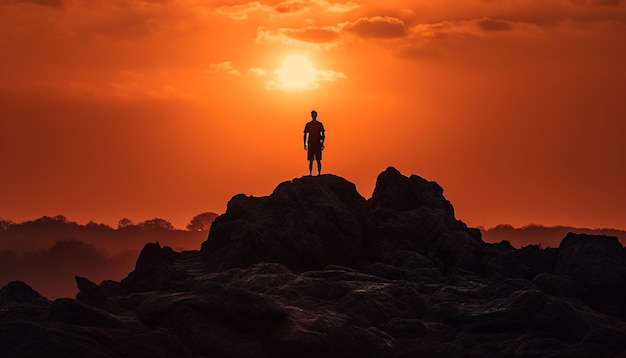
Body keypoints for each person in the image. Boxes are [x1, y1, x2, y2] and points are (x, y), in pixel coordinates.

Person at [303, 110, 325, 176]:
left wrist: (322, 143)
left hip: (316, 143)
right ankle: (311, 173)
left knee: (317, 160)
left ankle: (318, 173)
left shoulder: (318, 124)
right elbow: (305, 135)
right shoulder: (309, 124)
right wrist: (305, 143)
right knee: (311, 160)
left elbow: (323, 134)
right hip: (312, 143)